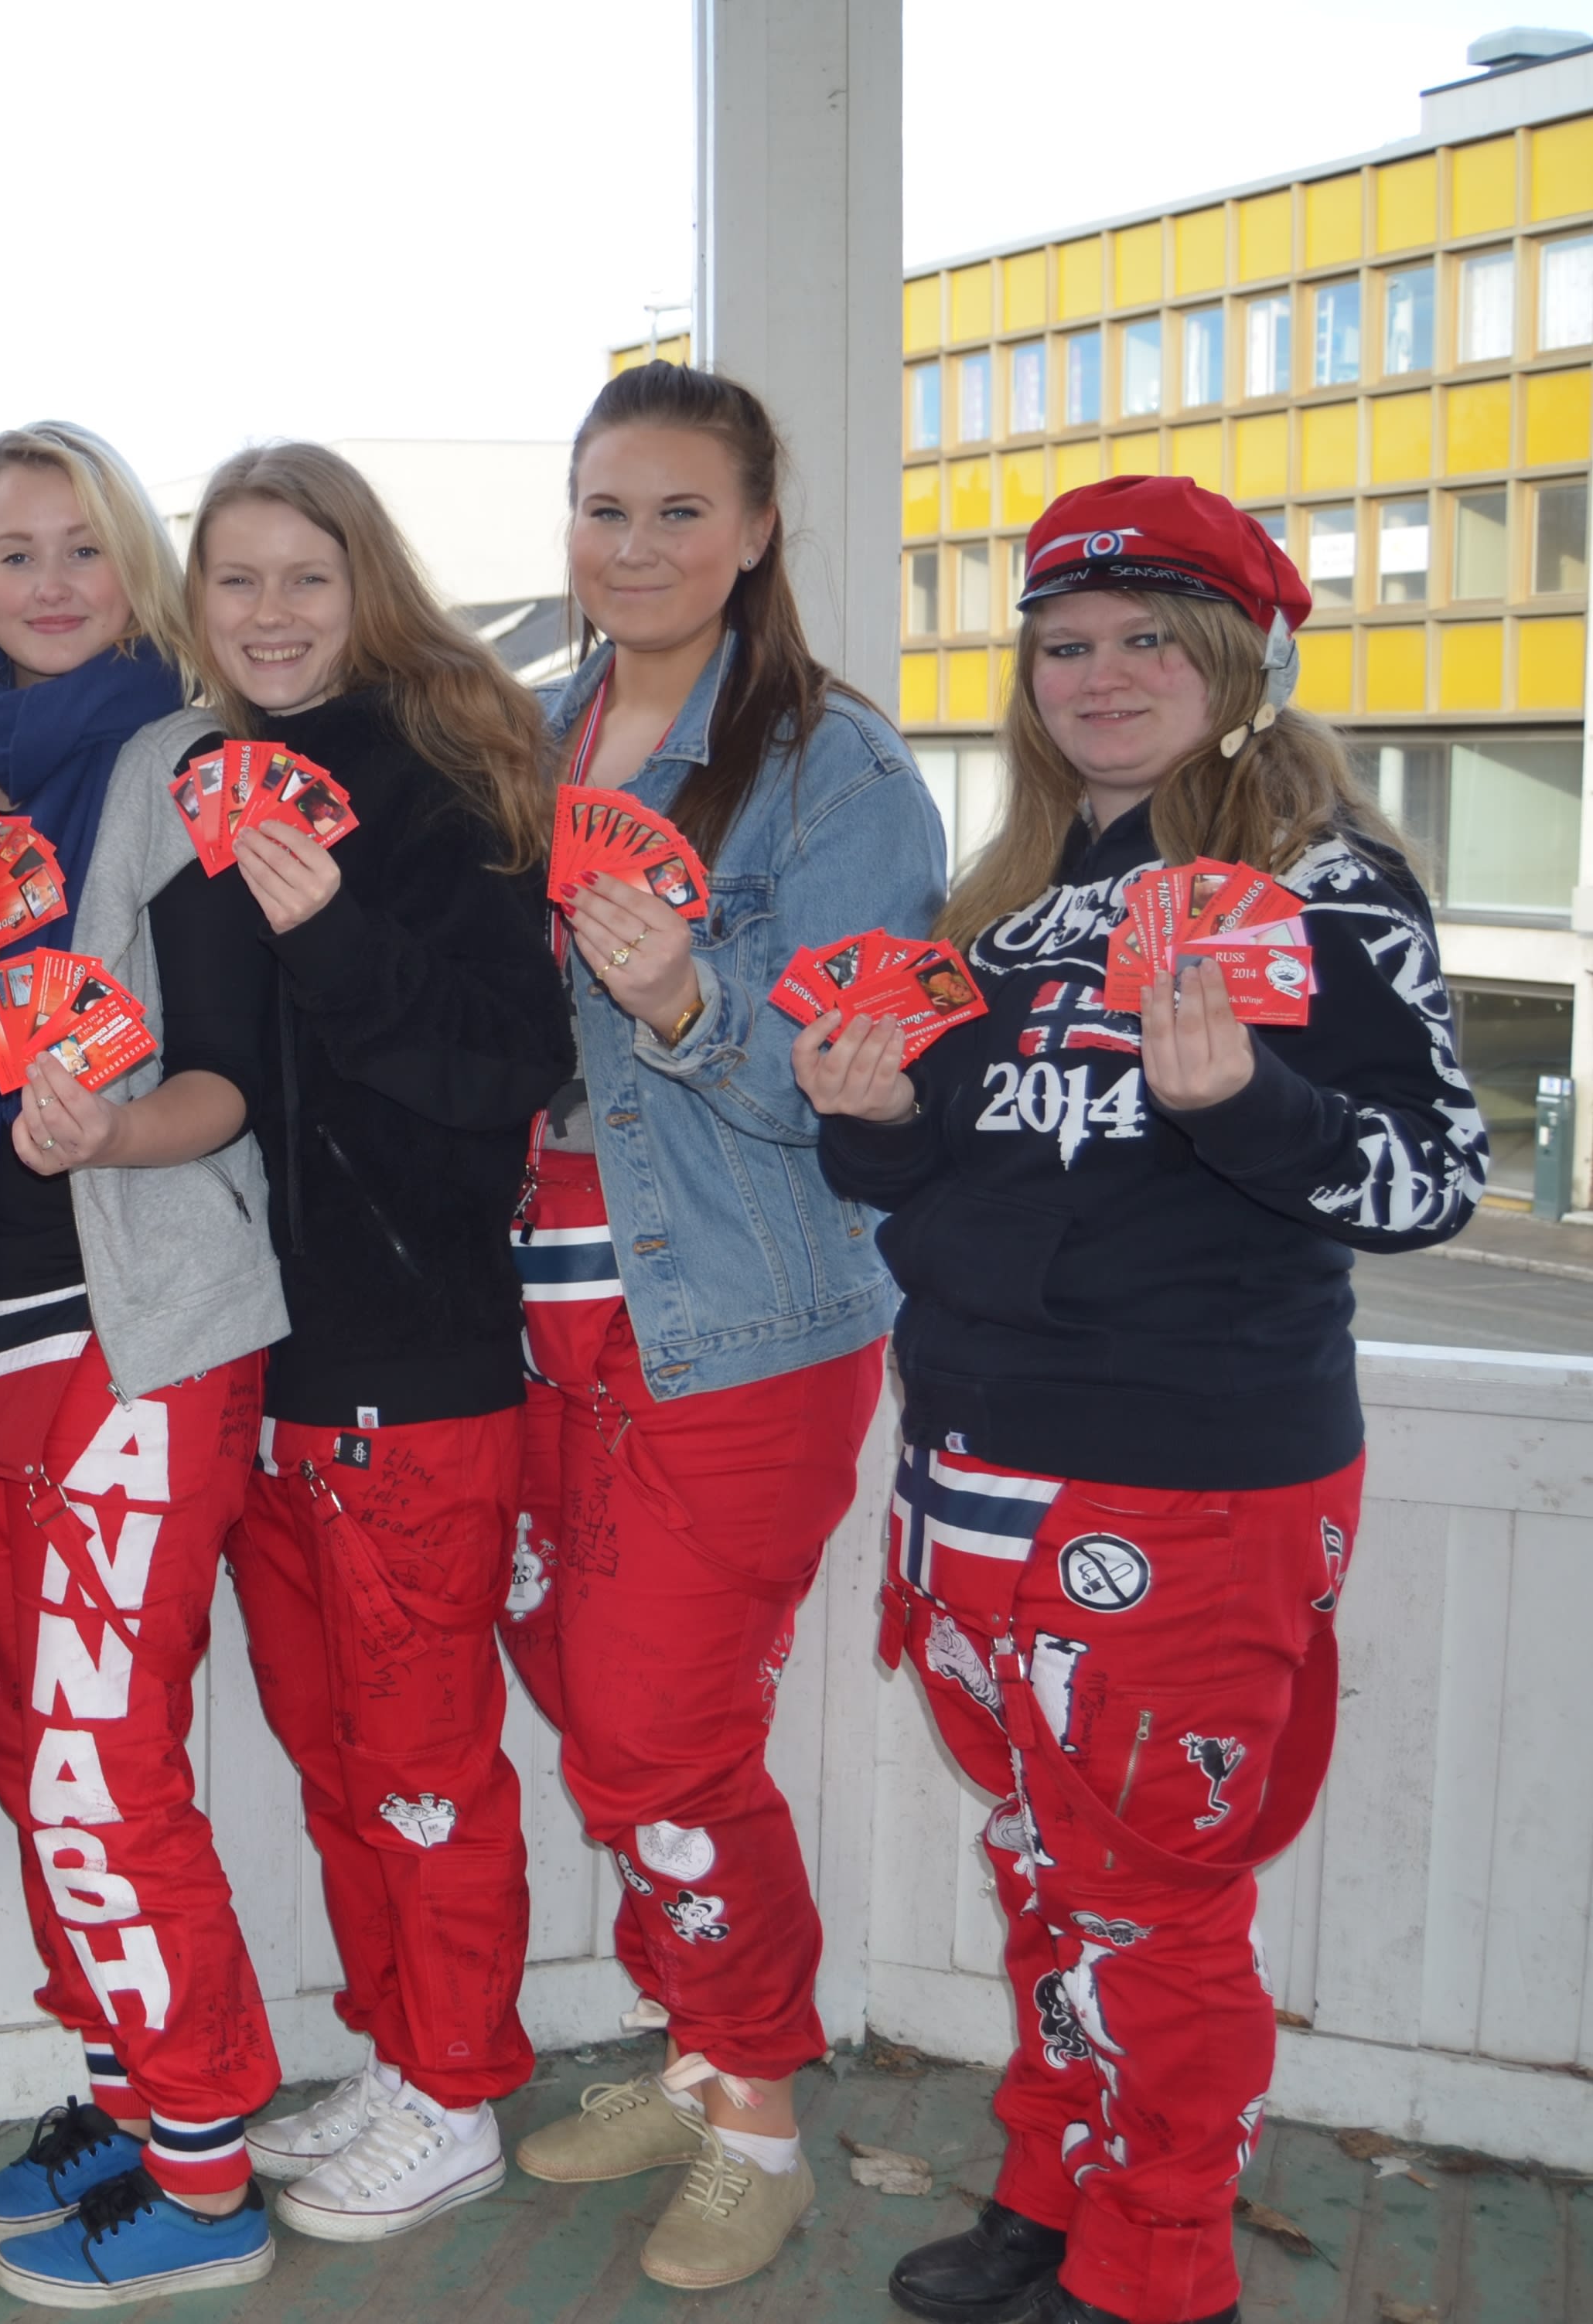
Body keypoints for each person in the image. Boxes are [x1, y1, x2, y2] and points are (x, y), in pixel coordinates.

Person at [804, 477, 1482, 2324]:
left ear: (1235, 664)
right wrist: (870, 1117)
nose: (1099, 677)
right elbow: (943, 1180)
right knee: (1049, 1868)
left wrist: (1242, 1104)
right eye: (1064, 646)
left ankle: (1157, 2273)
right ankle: (1053, 2198)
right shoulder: (1005, 909)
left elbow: (1430, 1181)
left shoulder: (1326, 887)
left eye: (1147, 642)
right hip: (970, 1460)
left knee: (1153, 1906)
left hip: (1185, 1479)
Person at [496, 361, 946, 2292]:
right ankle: (697, 2045)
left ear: (757, 531)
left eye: (681, 510)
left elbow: (845, 1092)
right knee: (582, 1692)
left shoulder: (836, 771)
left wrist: (687, 996)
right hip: (536, 1319)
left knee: (660, 1735)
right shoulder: (527, 736)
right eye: (606, 508)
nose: (637, 546)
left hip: (741, 1324)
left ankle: (756, 2102)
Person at [0, 424, 288, 2307]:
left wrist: (105, 1130)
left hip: (132, 1325)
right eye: (9, 548)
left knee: (105, 1769)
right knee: (45, 1761)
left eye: (80, 547)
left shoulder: (188, 763)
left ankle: (206, 2172)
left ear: (134, 569)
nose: (45, 582)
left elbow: (237, 1075)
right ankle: (125, 2094)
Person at [126, 445, 573, 2243]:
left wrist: (331, 928)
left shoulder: (445, 775)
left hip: (419, 1358)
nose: (269, 613)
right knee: (335, 1758)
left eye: (303, 576)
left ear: (364, 583)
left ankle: (460, 2087)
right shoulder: (206, 783)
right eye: (234, 580)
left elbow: (506, 1063)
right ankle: (404, 2054)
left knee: (421, 1764)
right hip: (266, 1359)